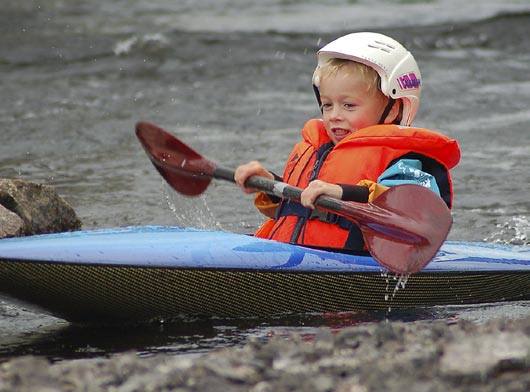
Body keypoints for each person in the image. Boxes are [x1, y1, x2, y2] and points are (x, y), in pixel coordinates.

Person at [234, 32, 460, 251]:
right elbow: (297, 212)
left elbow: (416, 211)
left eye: (349, 105)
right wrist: (270, 184)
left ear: (392, 110)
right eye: (327, 105)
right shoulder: (318, 151)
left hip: (355, 270)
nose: (334, 115)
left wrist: (342, 193)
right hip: (296, 259)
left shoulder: (405, 161)